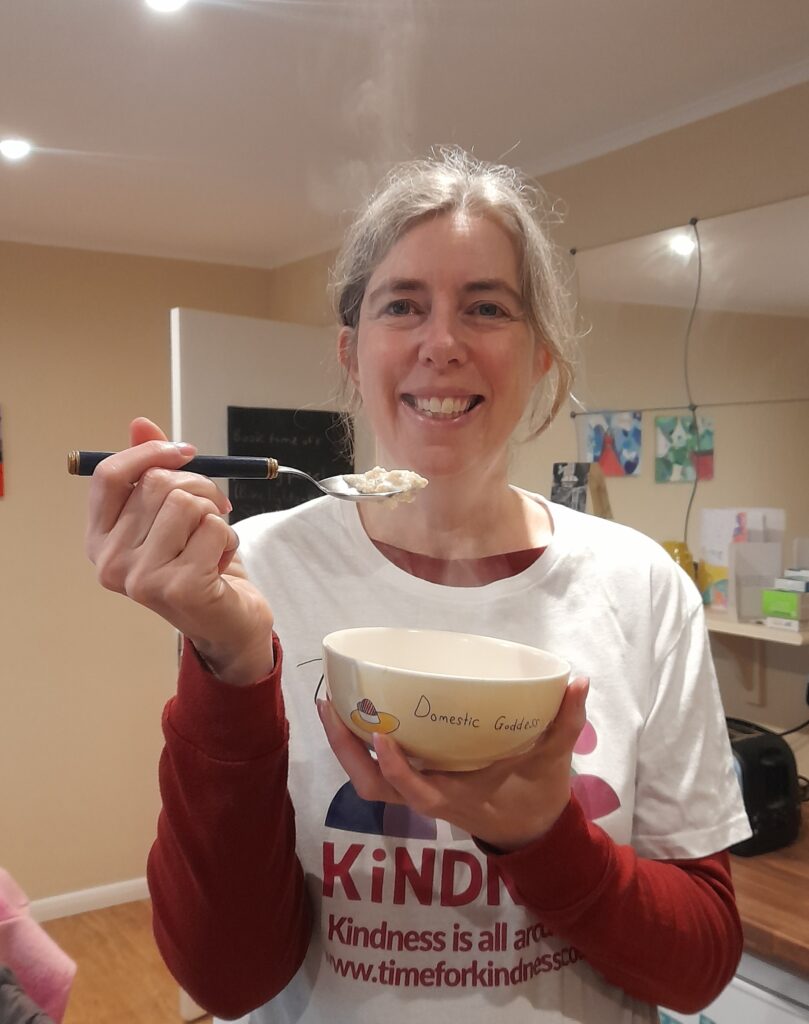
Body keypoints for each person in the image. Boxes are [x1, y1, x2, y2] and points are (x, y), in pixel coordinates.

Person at [85, 148, 751, 1024]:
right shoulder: (251, 574)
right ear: (351, 352)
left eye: (486, 307)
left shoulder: (640, 586)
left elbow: (697, 968)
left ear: (540, 356)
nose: (442, 343)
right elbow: (227, 979)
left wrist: (542, 836)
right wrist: (231, 665)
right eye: (402, 305)